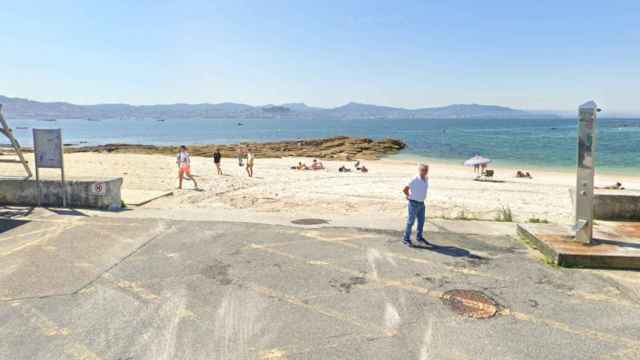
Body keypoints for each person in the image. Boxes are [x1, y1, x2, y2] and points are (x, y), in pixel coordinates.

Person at [402, 164, 429, 247]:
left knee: (421, 222)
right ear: (420, 170)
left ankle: (419, 237)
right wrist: (408, 196)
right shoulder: (414, 179)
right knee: (410, 222)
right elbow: (405, 189)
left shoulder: (426, 179)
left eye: (426, 170)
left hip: (421, 203)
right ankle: (405, 239)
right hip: (413, 203)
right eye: (423, 170)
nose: (425, 171)